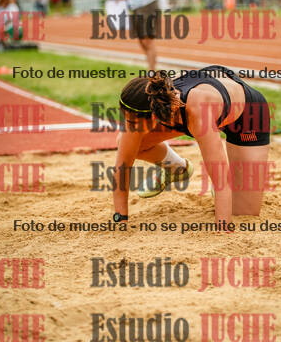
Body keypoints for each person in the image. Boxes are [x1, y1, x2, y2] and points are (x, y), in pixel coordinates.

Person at [113, 65, 271, 226]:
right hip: (195, 100)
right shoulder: (145, 102)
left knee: (243, 211)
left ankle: (229, 187)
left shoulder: (198, 110)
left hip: (247, 114)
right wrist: (120, 218)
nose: (130, 126)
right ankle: (175, 168)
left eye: (134, 123)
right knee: (127, 143)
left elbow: (221, 179)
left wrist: (223, 228)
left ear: (154, 117)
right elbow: (123, 165)